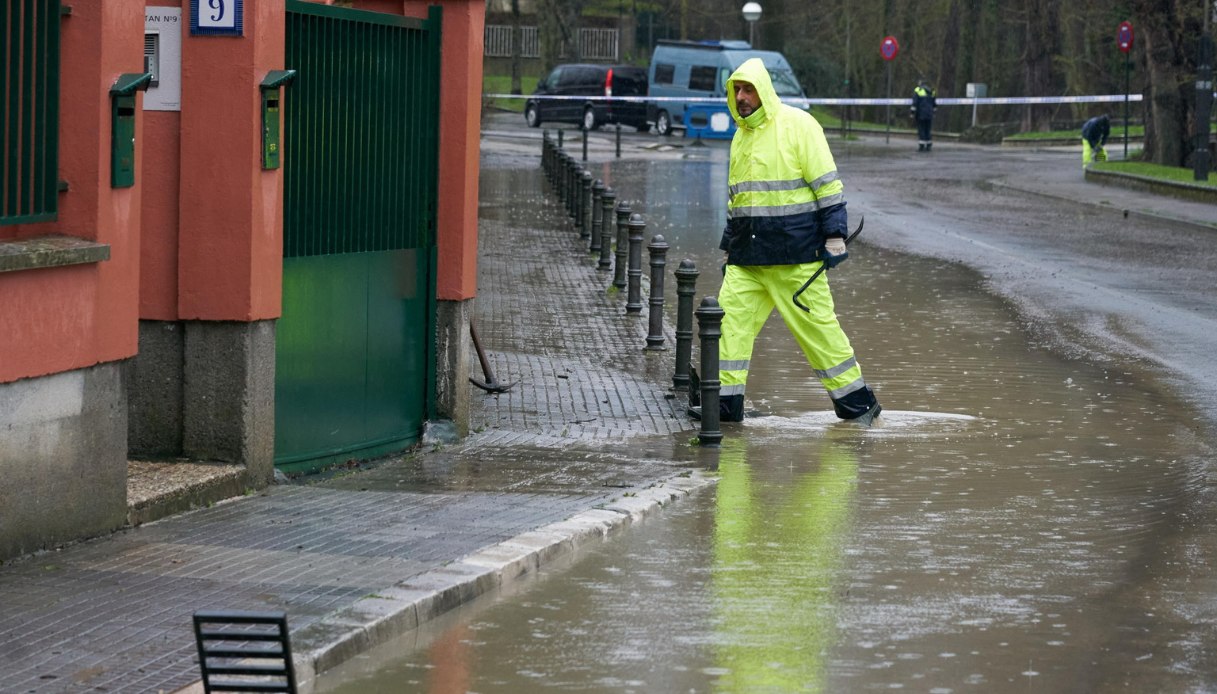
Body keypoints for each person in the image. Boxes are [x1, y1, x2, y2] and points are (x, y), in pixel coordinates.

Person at [712, 57, 881, 425]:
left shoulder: (799, 125)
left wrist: (835, 236)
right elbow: (737, 201)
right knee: (727, 330)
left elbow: (827, 185)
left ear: (764, 90)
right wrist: (729, 248)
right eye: (736, 89)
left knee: (821, 335)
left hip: (797, 260)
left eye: (748, 89)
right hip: (747, 261)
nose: (741, 96)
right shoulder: (740, 137)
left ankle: (859, 407)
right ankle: (723, 408)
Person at [911, 78, 937, 152]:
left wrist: (912, 113)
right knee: (928, 129)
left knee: (921, 129)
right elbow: (934, 104)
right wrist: (934, 113)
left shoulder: (918, 90)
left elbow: (914, 103)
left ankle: (922, 146)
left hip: (921, 113)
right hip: (930, 114)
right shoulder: (932, 91)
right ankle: (929, 145)